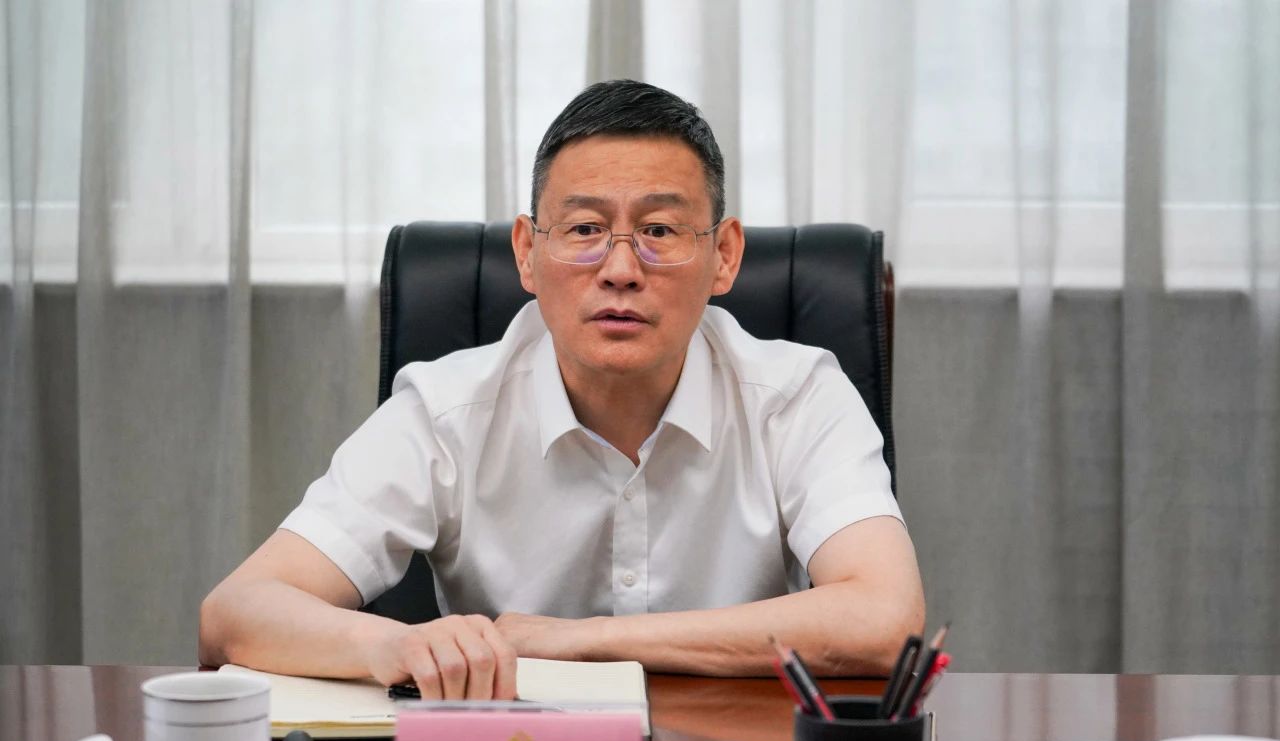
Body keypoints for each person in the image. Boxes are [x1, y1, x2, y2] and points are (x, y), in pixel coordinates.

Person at [199, 79, 924, 700]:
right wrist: (395, 646)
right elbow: (235, 612)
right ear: (527, 252)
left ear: (725, 255)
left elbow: (887, 621)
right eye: (583, 229)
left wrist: (579, 640)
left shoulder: (799, 397)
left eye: (660, 230)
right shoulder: (446, 412)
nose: (621, 270)